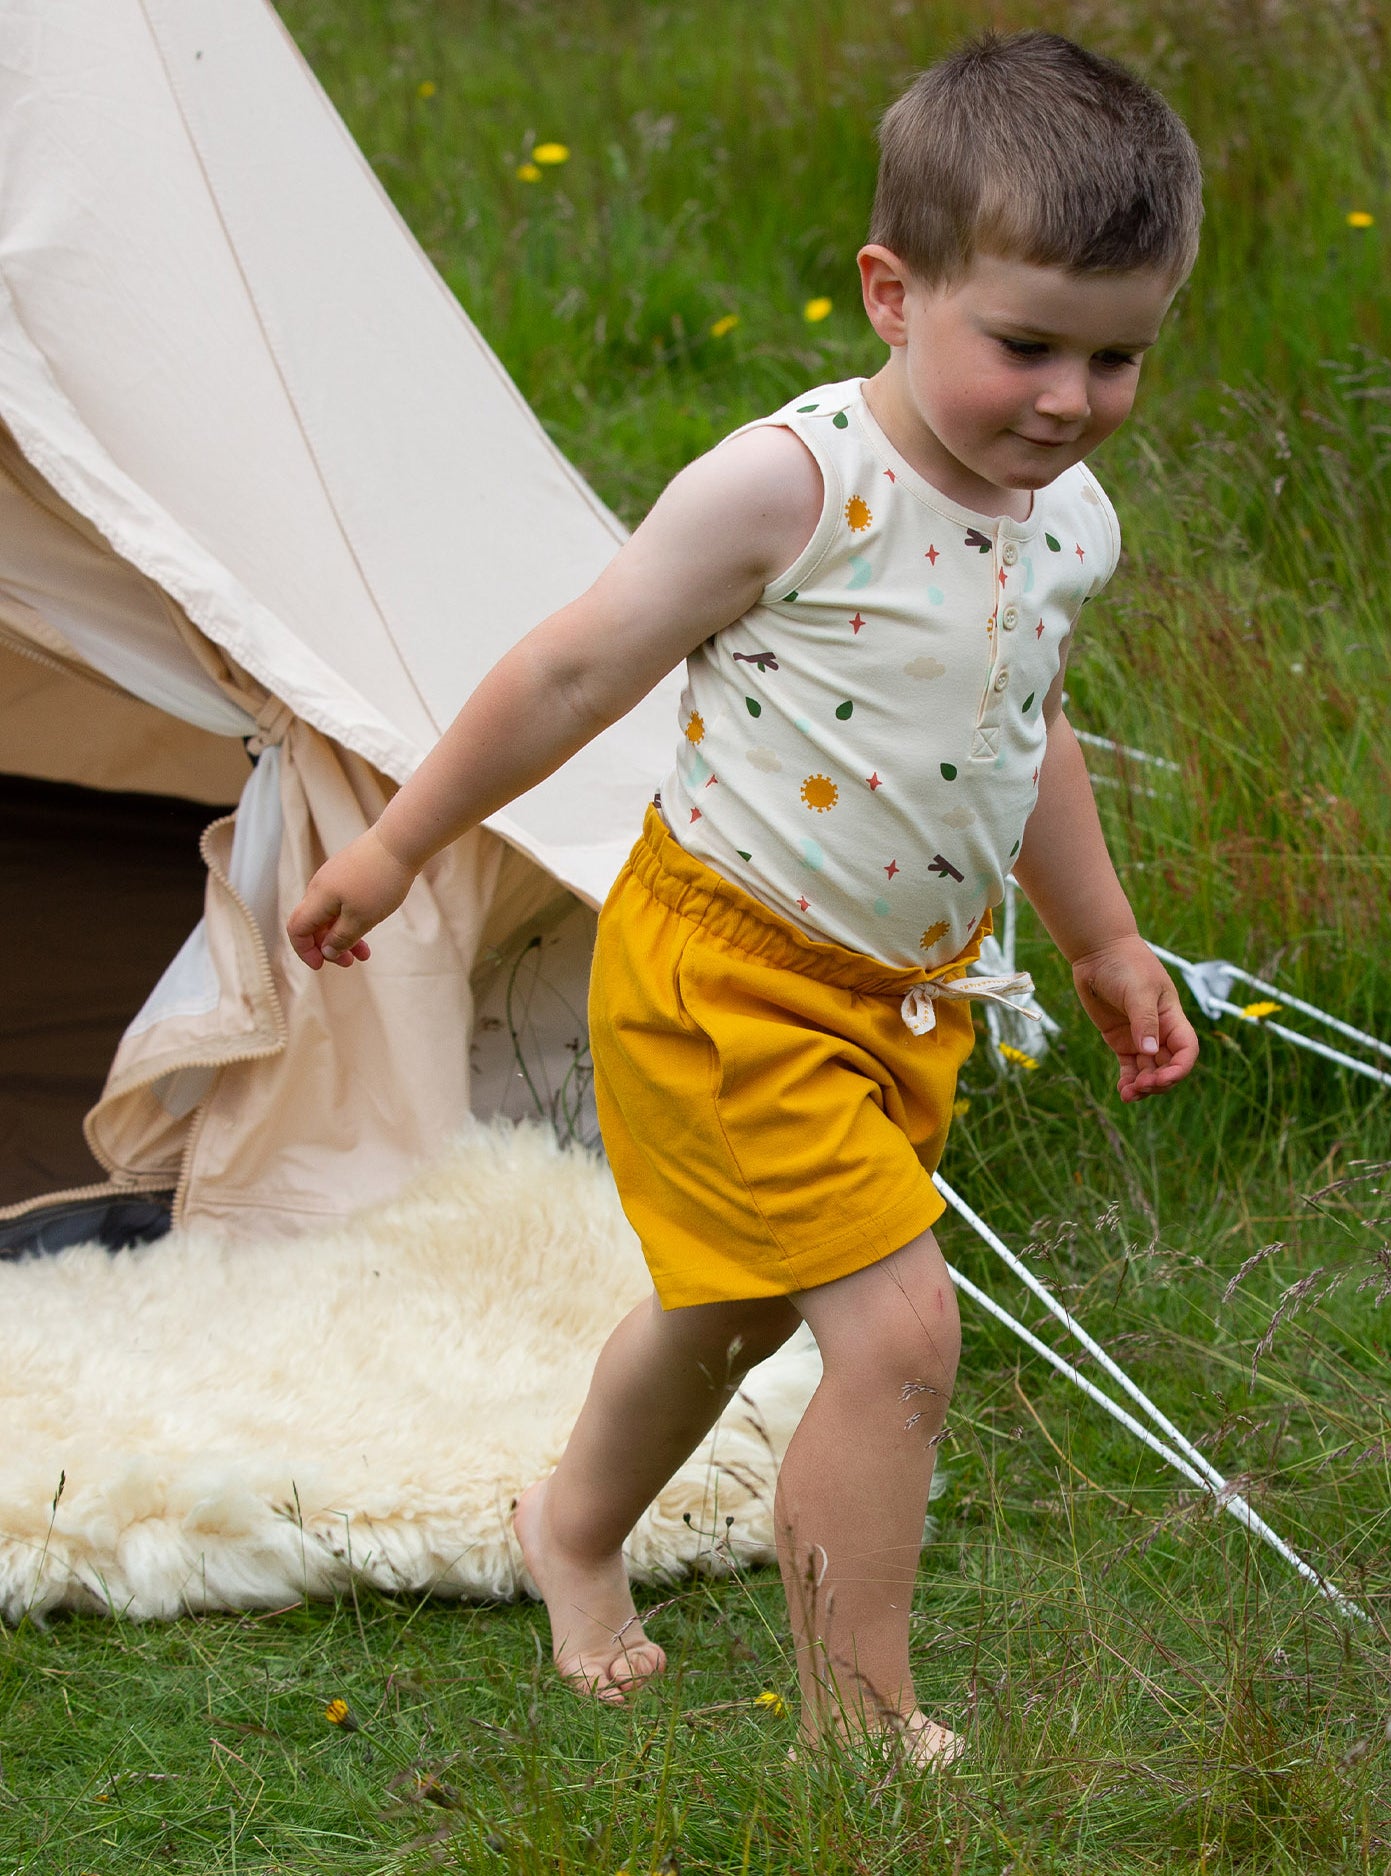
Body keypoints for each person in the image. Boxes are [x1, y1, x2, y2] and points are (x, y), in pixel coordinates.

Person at [286, 28, 1202, 1770]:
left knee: (726, 1306)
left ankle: (570, 1524)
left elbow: (1029, 728)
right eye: (1023, 345)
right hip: (725, 983)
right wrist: (398, 844)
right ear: (889, 289)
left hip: (898, 993)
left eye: (1118, 356)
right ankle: (854, 1721)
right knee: (897, 1335)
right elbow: (569, 672)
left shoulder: (1061, 515)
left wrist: (1099, 936)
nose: (1069, 400)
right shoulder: (793, 488)